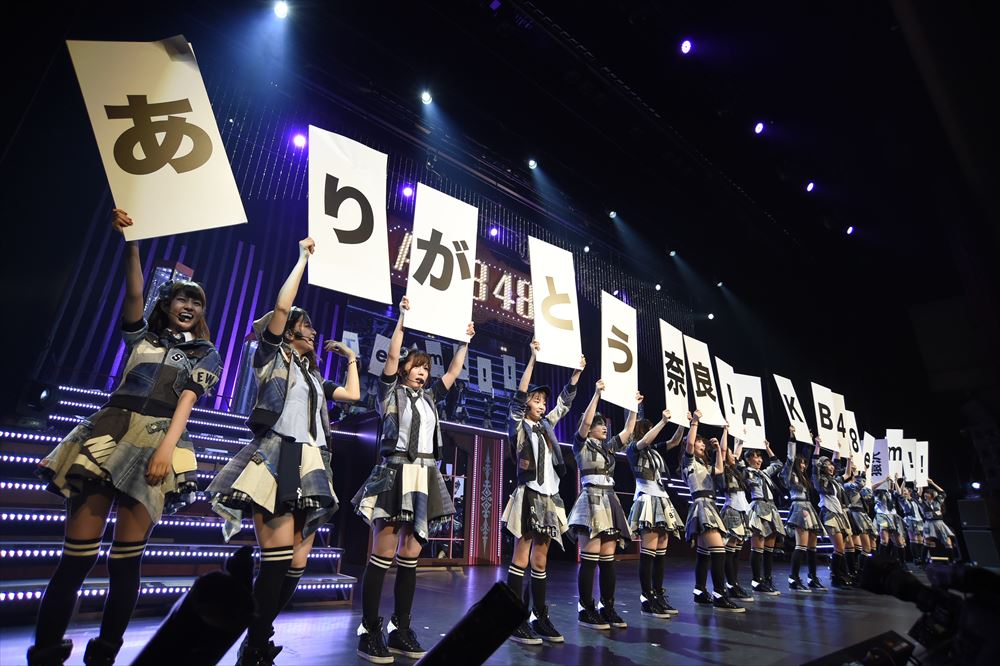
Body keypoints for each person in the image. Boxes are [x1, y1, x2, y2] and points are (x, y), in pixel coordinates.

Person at [31, 209, 221, 666]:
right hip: (109, 432)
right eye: (181, 297)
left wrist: (166, 448)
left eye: (196, 301)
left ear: (202, 313)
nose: (188, 305)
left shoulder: (206, 353)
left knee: (125, 561)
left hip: (158, 438)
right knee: (76, 557)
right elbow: (134, 292)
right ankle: (46, 650)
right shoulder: (141, 337)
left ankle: (105, 653)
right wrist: (131, 243)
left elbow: (188, 401)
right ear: (167, 304)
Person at [206, 237, 360, 665]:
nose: (314, 331)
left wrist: (350, 357)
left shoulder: (314, 377)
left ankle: (259, 634)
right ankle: (254, 647)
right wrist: (302, 258)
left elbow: (351, 395)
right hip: (278, 454)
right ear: (290, 330)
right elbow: (280, 307)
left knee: (296, 564)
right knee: (275, 563)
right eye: (306, 326)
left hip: (311, 460)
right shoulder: (272, 357)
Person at [351, 296, 474, 663]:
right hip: (394, 472)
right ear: (404, 368)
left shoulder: (431, 397)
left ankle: (400, 628)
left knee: (410, 556)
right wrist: (403, 318)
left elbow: (453, 372)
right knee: (382, 553)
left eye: (425, 368)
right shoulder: (389, 391)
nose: (422, 372)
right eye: (416, 366)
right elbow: (391, 355)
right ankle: (368, 630)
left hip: (424, 474)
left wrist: (465, 341)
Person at [501, 340, 583, 645]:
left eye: (543, 400)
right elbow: (518, 397)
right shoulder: (518, 425)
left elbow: (564, 405)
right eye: (537, 399)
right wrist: (533, 359)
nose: (542, 403)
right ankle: (513, 619)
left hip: (550, 497)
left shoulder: (547, 426)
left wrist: (576, 375)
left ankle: (539, 615)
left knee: (540, 560)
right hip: (529, 494)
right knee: (521, 557)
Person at [568, 383, 640, 630]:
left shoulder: (608, 447)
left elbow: (628, 431)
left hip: (609, 500)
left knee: (608, 561)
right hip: (590, 500)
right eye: (599, 424)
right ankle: (585, 608)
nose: (603, 427)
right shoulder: (580, 444)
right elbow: (586, 423)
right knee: (589, 559)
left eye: (604, 424)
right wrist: (597, 394)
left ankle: (607, 607)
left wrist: (633, 407)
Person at [626, 409, 686, 618]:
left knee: (661, 553)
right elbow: (644, 441)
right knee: (649, 553)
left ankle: (659, 595)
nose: (654, 432)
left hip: (662, 499)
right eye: (650, 429)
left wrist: (683, 423)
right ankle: (647, 597)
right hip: (647, 499)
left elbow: (675, 441)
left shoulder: (654, 451)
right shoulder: (634, 449)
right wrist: (663, 422)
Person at [683, 412, 745, 612]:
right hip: (702, 506)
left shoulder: (704, 465)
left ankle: (700, 591)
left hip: (710, 506)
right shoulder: (689, 462)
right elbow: (689, 444)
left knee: (704, 554)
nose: (702, 444)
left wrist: (718, 449)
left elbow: (719, 469)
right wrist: (694, 423)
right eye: (699, 442)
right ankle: (720, 594)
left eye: (703, 443)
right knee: (719, 551)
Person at [781, 426, 826, 593]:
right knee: (801, 545)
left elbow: (812, 461)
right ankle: (793, 578)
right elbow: (790, 457)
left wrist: (815, 445)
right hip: (799, 507)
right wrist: (792, 437)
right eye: (800, 462)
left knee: (812, 546)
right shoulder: (788, 473)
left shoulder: (804, 477)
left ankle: (812, 577)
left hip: (809, 508)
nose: (802, 465)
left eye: (803, 463)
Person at [742, 439, 785, 596]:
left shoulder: (764, 473)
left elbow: (778, 464)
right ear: (748, 459)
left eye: (760, 457)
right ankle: (756, 581)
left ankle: (767, 579)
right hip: (758, 506)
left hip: (771, 507)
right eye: (755, 456)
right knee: (758, 546)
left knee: (769, 548)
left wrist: (767, 448)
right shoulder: (746, 471)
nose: (759, 460)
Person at [813, 446, 855, 588]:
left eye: (831, 465)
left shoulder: (835, 481)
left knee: (842, 548)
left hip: (840, 515)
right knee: (839, 548)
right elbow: (814, 464)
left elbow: (847, 473)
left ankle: (841, 575)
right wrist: (817, 447)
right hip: (829, 514)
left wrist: (849, 459)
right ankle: (836, 577)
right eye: (827, 465)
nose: (831, 467)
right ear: (822, 467)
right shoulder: (819, 479)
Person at [719, 436, 753, 603]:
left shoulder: (735, 470)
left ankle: (734, 583)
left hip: (742, 511)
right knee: (730, 550)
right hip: (732, 509)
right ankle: (730, 584)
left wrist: (740, 438)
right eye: (730, 454)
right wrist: (726, 431)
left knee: (736, 551)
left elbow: (737, 452)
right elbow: (724, 451)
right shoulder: (723, 470)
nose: (734, 455)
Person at [842, 466, 876, 575]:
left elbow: (868, 496)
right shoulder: (847, 485)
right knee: (864, 547)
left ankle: (860, 570)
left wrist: (865, 479)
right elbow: (859, 485)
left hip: (863, 514)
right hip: (855, 514)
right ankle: (858, 572)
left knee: (869, 546)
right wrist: (859, 474)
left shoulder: (857, 486)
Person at [872, 475, 908, 567]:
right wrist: (884, 480)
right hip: (882, 516)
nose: (890, 483)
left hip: (893, 517)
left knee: (900, 542)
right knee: (885, 540)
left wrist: (897, 481)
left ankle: (903, 564)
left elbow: (899, 493)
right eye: (889, 482)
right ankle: (881, 563)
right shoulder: (878, 492)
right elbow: (872, 487)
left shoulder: (891, 492)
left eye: (890, 482)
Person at [919, 479, 956, 563]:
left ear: (932, 494)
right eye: (925, 493)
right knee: (927, 542)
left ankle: (952, 561)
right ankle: (922, 562)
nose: (925, 494)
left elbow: (943, 492)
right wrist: (920, 485)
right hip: (929, 523)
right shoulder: (922, 503)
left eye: (928, 493)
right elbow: (916, 496)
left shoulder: (938, 501)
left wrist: (932, 483)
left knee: (948, 542)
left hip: (939, 523)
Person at [897, 484, 927, 568]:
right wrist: (902, 482)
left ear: (909, 492)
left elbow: (920, 492)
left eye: (905, 491)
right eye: (903, 491)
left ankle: (921, 558)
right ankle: (916, 558)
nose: (904, 492)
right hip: (910, 520)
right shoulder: (902, 500)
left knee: (920, 540)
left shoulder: (915, 499)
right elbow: (900, 492)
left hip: (919, 520)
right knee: (914, 540)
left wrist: (919, 482)